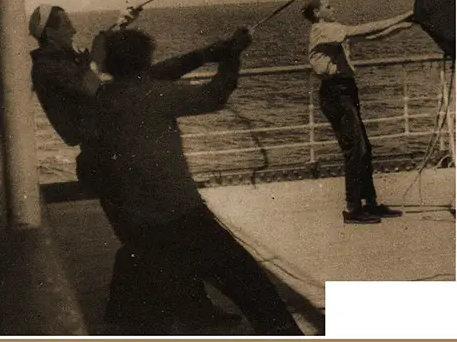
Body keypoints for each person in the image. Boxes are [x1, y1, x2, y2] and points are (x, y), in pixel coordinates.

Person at [28, 4, 244, 332]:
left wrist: (203, 53)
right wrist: (213, 55)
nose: (74, 30)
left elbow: (129, 77)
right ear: (52, 32)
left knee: (150, 241)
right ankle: (141, 317)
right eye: (68, 25)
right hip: (105, 163)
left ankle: (154, 314)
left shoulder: (63, 61)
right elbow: (102, 84)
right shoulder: (49, 68)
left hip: (114, 159)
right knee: (147, 242)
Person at [94, 27, 305, 335]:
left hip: (139, 219)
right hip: (181, 215)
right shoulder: (157, 94)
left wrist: (206, 53)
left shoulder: (106, 96)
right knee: (252, 286)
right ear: (143, 60)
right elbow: (216, 94)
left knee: (149, 298)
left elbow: (156, 73)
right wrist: (231, 57)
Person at [301, 0, 412, 224]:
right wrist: (405, 14)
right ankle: (353, 209)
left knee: (364, 148)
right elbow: (363, 29)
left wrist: (410, 23)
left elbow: (377, 36)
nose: (334, 9)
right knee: (355, 149)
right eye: (328, 7)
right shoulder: (322, 30)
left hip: (346, 90)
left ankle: (370, 204)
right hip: (335, 93)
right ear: (317, 13)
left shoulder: (334, 32)